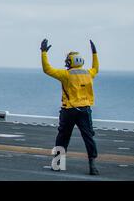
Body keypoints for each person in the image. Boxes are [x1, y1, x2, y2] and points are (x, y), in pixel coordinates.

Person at [40, 39, 100, 175]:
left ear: (70, 62)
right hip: (85, 110)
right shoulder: (89, 74)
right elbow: (96, 68)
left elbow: (47, 69)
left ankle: (57, 164)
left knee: (63, 136)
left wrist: (43, 53)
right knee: (88, 136)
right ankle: (92, 165)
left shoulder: (66, 75)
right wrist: (94, 53)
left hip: (69, 111)